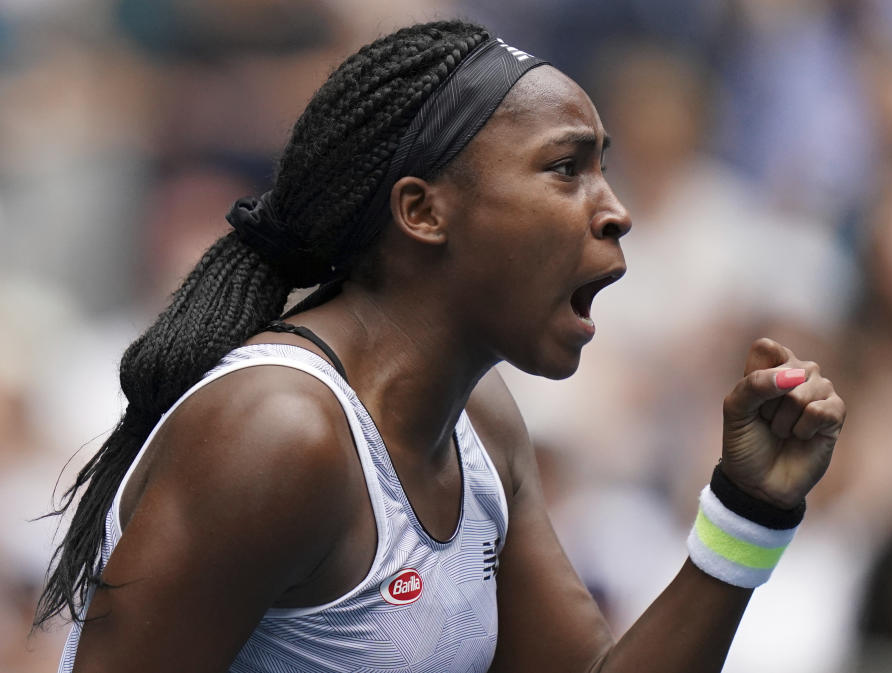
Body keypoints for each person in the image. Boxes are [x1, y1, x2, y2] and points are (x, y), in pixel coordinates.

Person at [34, 20, 846, 673]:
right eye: (567, 168)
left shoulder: (482, 425)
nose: (617, 211)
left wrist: (750, 510)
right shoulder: (278, 433)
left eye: (604, 169)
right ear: (423, 211)